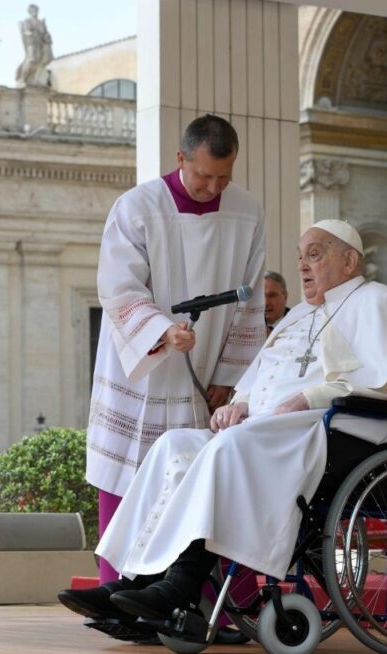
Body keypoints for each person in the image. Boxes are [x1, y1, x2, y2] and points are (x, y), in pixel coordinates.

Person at [61, 219, 387, 637]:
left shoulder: (376, 301)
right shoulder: (297, 318)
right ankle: (132, 581)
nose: (303, 266)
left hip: (333, 430)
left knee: (228, 449)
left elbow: (386, 386)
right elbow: (259, 375)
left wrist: (308, 398)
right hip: (266, 431)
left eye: (315, 254)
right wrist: (238, 403)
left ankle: (180, 586)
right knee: (174, 446)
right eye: (300, 257)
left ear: (350, 261)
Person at [87, 114, 267, 584]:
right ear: (180, 158)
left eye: (223, 176)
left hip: (206, 374)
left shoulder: (246, 211)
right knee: (133, 476)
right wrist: (162, 331)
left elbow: (251, 299)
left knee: (200, 483)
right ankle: (122, 592)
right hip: (142, 369)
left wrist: (229, 377)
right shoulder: (137, 206)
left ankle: (194, 598)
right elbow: (118, 287)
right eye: (204, 175)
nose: (212, 187)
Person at [15, 4, 53, 87]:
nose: (35, 12)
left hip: (40, 44)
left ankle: (35, 79)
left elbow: (45, 34)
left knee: (40, 61)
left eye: (36, 10)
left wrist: (47, 37)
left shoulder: (41, 23)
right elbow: (26, 31)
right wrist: (32, 33)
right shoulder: (27, 21)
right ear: (30, 12)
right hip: (32, 43)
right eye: (33, 11)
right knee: (31, 59)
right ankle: (23, 78)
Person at [264, 270, 290, 336]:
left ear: (285, 297)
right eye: (261, 297)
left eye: (272, 295)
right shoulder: (247, 325)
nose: (266, 303)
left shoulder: (297, 323)